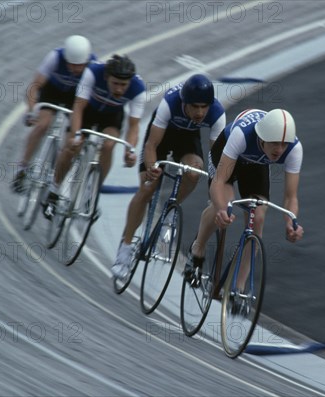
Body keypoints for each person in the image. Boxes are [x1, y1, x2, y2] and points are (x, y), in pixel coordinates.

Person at [111, 74, 226, 278]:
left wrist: (214, 189)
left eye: (204, 107)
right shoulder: (170, 104)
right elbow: (151, 145)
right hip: (161, 136)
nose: (200, 112)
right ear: (185, 103)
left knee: (194, 171)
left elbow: (217, 158)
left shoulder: (217, 113)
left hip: (187, 139)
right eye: (195, 107)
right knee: (147, 188)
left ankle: (170, 211)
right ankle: (125, 248)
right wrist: (152, 167)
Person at [184, 108, 304, 288]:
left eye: (284, 144)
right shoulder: (241, 135)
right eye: (275, 143)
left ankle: (238, 288)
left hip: (256, 164)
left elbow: (291, 197)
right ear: (263, 138)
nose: (279, 150)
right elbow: (219, 182)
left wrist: (291, 222)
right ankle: (197, 248)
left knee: (258, 218)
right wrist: (220, 209)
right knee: (224, 204)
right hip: (227, 154)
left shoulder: (294, 149)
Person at [43, 54, 146, 219]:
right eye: (115, 84)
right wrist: (76, 135)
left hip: (112, 116)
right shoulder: (93, 72)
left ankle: (93, 194)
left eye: (123, 85)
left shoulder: (139, 88)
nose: (119, 89)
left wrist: (131, 150)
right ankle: (54, 191)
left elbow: (134, 125)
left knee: (109, 145)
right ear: (106, 77)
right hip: (87, 111)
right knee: (71, 148)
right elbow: (78, 107)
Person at [11, 35, 96, 193]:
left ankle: (57, 177)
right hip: (52, 92)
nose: (75, 69)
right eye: (71, 65)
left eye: (79, 66)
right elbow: (34, 87)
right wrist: (31, 111)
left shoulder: (93, 66)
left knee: (71, 141)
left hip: (75, 98)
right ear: (65, 58)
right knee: (42, 125)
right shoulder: (54, 57)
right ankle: (22, 167)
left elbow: (91, 99)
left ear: (86, 61)